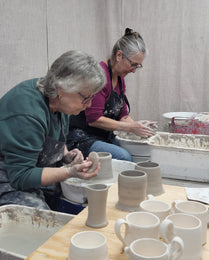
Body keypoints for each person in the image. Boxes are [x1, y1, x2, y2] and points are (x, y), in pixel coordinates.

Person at [0, 50, 106, 210]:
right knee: (40, 217)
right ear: (61, 89)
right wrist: (70, 172)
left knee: (78, 198)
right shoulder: (27, 114)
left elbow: (55, 135)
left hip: (31, 167)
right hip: (10, 175)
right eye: (86, 98)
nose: (89, 105)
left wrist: (66, 155)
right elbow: (21, 176)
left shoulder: (60, 103)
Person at [67, 28, 155, 162]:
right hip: (81, 136)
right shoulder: (99, 76)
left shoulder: (120, 78)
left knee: (140, 149)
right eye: (133, 64)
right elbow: (94, 119)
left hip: (103, 136)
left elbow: (122, 115)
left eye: (138, 66)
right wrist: (131, 127)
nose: (134, 71)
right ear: (119, 55)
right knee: (124, 157)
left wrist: (139, 126)